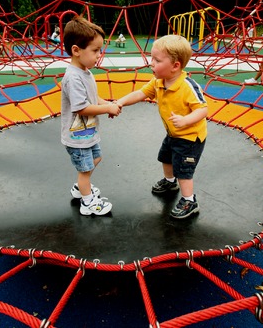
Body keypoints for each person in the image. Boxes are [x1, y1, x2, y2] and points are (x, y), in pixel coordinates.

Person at [117, 34, 208, 219]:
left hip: (190, 137)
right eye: (152, 58)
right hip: (173, 133)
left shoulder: (187, 86)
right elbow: (141, 94)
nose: (151, 63)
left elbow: (203, 109)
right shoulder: (159, 81)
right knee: (166, 158)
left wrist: (185, 120)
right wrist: (119, 103)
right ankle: (169, 182)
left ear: (175, 66)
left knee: (183, 170)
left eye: (157, 60)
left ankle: (189, 200)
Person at [61, 16, 122, 216]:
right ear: (76, 51)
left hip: (87, 133)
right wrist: (107, 110)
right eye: (95, 51)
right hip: (77, 137)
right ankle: (88, 203)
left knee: (95, 158)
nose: (99, 55)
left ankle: (81, 188)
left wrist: (108, 104)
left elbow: (93, 98)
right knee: (85, 171)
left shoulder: (85, 71)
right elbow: (81, 108)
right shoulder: (73, 77)